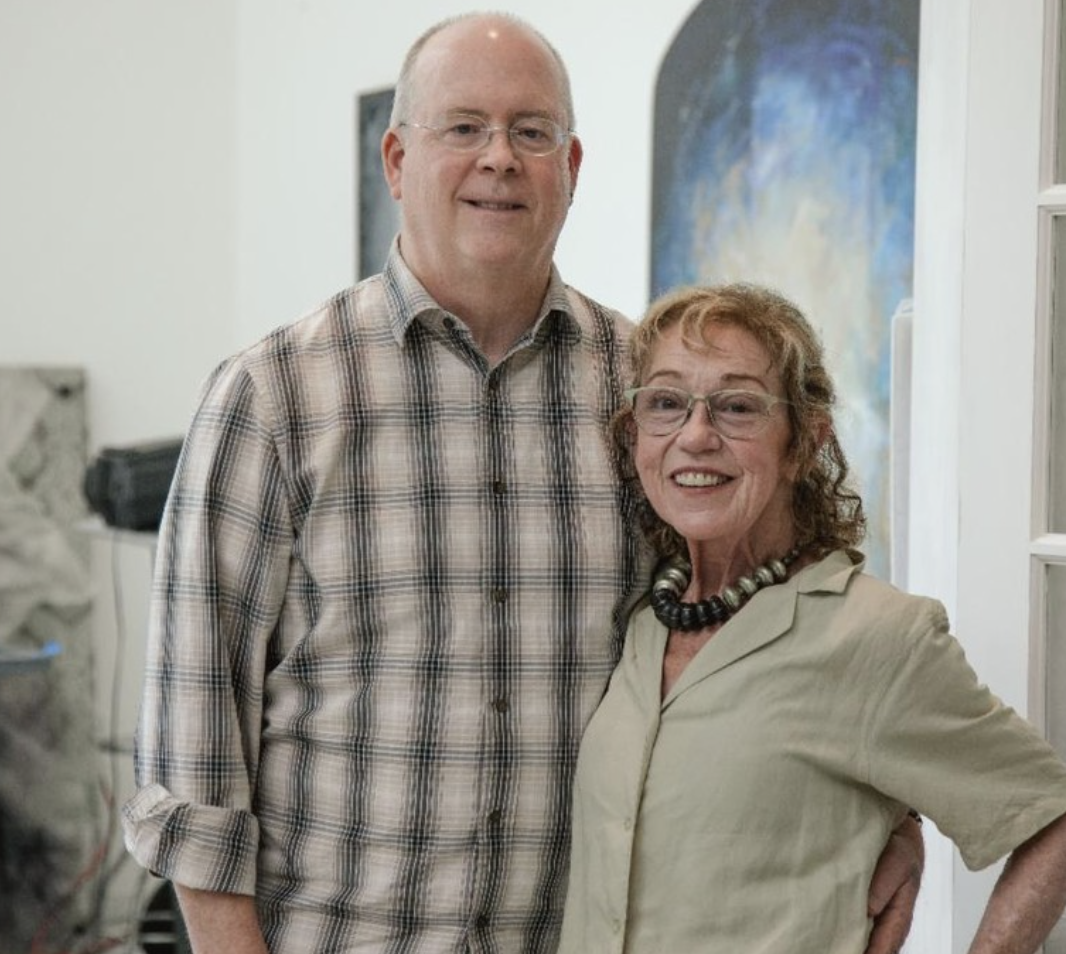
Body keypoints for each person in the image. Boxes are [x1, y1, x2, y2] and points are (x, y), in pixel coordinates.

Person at [121, 13, 923, 954]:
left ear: (570, 168)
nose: (499, 157)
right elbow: (195, 755)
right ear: (397, 160)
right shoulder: (274, 397)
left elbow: (776, 621)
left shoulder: (649, 393)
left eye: (531, 132)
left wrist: (881, 801)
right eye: (464, 127)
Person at [557, 282, 1066, 953]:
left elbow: (1060, 825)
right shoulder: (640, 618)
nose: (695, 436)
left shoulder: (876, 636)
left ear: (803, 444)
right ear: (635, 434)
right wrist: (898, 822)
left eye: (737, 407)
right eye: (666, 403)